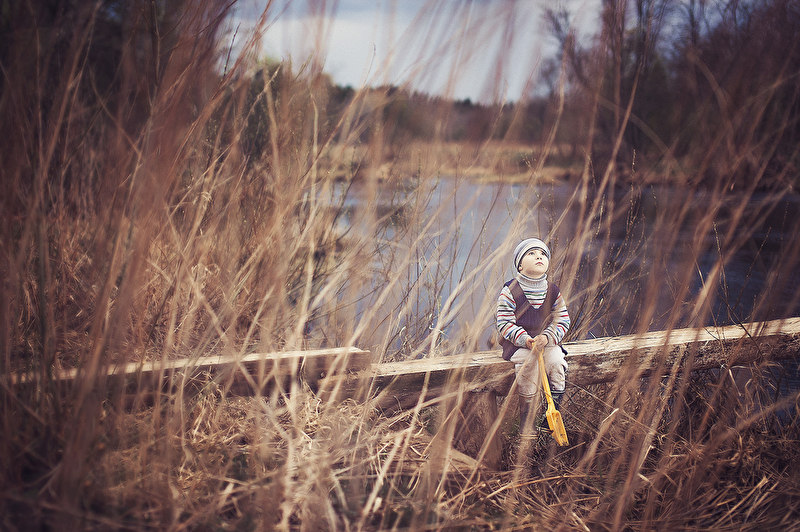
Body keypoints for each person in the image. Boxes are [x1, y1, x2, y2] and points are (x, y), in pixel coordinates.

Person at [496, 237, 570, 436]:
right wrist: (525, 339)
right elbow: (504, 323)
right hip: (518, 345)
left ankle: (551, 417)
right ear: (520, 266)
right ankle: (527, 421)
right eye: (531, 253)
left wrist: (547, 337)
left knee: (556, 362)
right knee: (529, 365)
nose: (539, 256)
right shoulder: (510, 290)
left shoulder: (553, 291)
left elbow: (562, 321)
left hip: (546, 342)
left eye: (543, 254)